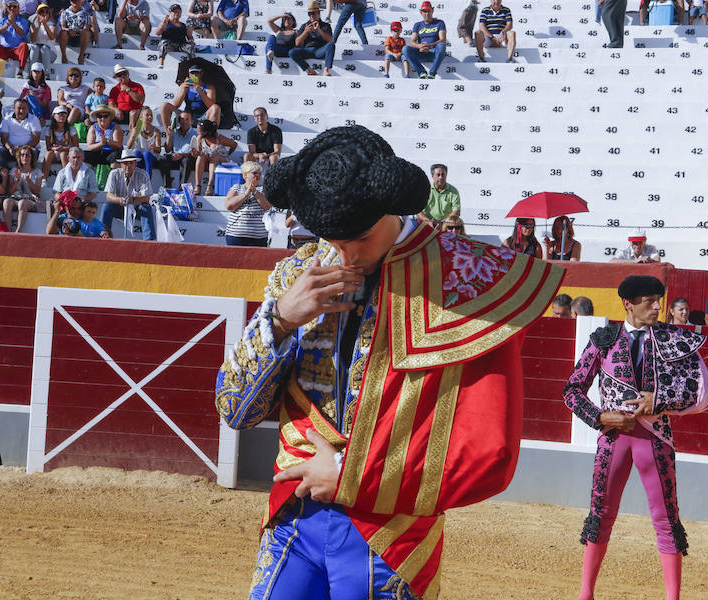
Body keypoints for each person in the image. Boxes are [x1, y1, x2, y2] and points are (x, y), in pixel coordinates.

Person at [215, 125, 564, 600]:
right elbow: (236, 409)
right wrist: (278, 321)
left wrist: (350, 474)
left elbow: (488, 453)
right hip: (293, 517)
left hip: (390, 536)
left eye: (357, 236)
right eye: (329, 237)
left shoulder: (466, 281)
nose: (342, 253)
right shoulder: (298, 272)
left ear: (391, 207)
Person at [563, 275, 708, 600]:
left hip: (656, 439)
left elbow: (701, 391)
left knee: (666, 519)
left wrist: (658, 400)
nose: (658, 307)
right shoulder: (604, 339)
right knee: (600, 514)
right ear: (628, 304)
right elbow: (572, 390)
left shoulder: (674, 338)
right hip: (613, 438)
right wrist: (601, 416)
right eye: (649, 301)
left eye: (659, 300)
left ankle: (673, 597)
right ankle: (585, 594)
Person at [101, 148, 154, 240]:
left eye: (131, 163)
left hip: (137, 208)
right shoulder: (114, 174)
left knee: (146, 207)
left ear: (135, 164)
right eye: (125, 163)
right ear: (121, 164)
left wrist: (133, 199)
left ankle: (149, 240)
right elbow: (109, 196)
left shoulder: (143, 174)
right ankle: (104, 235)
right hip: (120, 207)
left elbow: (146, 198)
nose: (128, 166)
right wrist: (120, 199)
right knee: (107, 206)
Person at [223, 160, 270, 246]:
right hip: (236, 235)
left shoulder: (263, 190)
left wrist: (255, 192)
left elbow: (267, 207)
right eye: (255, 173)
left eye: (259, 173)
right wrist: (245, 194)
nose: (258, 175)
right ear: (245, 175)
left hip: (258, 237)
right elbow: (229, 206)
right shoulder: (237, 187)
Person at [162, 64, 220, 131]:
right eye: (192, 73)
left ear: (201, 74)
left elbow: (211, 105)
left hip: (203, 116)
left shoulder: (209, 87)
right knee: (165, 106)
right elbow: (176, 105)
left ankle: (211, 135)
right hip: (187, 116)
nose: (194, 75)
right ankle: (169, 133)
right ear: (189, 74)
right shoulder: (184, 86)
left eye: (197, 73)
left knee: (216, 108)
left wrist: (199, 90)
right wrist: (184, 90)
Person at [5, 144, 46, 232]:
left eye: (27, 155)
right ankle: (7, 231)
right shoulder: (14, 171)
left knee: (22, 203)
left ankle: (18, 231)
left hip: (31, 199)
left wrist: (29, 181)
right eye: (22, 155)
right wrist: (17, 180)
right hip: (16, 197)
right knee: (7, 202)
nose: (25, 157)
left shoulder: (37, 172)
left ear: (31, 158)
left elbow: (37, 191)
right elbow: (10, 191)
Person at [190, 118, 236, 195]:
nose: (198, 132)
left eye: (199, 131)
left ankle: (209, 186)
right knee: (201, 156)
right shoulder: (200, 138)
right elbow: (196, 155)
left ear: (206, 132)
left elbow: (234, 144)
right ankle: (198, 186)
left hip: (221, 161)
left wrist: (228, 153)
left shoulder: (220, 138)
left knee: (214, 156)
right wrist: (194, 152)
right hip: (208, 162)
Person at [0, 0, 31, 78]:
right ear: (7, 8)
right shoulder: (2, 20)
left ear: (18, 8)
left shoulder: (23, 21)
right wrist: (8, 24)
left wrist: (13, 23)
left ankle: (20, 71)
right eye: (10, 6)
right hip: (4, 49)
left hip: (17, 51)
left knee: (24, 45)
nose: (12, 8)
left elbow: (22, 33)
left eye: (14, 6)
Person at [289, 1, 335, 77]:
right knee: (292, 52)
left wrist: (319, 30)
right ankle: (310, 70)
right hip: (308, 50)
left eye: (313, 13)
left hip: (320, 50)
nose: (311, 16)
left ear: (318, 13)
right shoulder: (304, 26)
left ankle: (326, 70)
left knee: (331, 45)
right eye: (309, 14)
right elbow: (297, 43)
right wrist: (305, 32)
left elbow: (330, 40)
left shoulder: (325, 25)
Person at [404, 1, 447, 79]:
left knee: (441, 46)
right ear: (421, 12)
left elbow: (443, 39)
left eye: (428, 11)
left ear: (432, 11)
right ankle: (421, 72)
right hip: (421, 52)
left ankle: (432, 73)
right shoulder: (417, 25)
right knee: (405, 49)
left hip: (435, 53)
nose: (427, 13)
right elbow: (412, 42)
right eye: (424, 11)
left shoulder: (440, 23)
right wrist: (420, 46)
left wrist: (430, 46)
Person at [0, 98, 42, 167]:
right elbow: (4, 138)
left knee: (34, 152)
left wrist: (22, 149)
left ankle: (26, 175)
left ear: (28, 108)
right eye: (19, 108)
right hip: (11, 149)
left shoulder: (34, 119)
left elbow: (36, 139)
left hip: (28, 148)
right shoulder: (7, 119)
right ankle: (5, 173)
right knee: (0, 151)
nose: (21, 111)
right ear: (14, 108)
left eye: (24, 108)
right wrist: (10, 148)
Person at [159, 109, 195, 187]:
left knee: (187, 161)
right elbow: (167, 149)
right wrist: (169, 136)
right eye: (182, 119)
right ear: (178, 121)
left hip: (187, 158)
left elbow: (195, 153)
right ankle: (167, 185)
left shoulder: (195, 134)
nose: (184, 122)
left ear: (192, 121)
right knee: (163, 158)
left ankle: (182, 187)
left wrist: (182, 155)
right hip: (174, 157)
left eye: (186, 119)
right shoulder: (174, 132)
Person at [156, 4, 196, 70]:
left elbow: (190, 37)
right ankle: (161, 63)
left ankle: (192, 66)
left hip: (181, 45)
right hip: (169, 45)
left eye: (178, 12)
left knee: (190, 47)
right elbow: (157, 33)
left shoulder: (183, 25)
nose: (176, 13)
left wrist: (191, 40)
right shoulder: (165, 23)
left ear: (180, 13)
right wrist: (162, 26)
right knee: (163, 43)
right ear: (171, 13)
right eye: (174, 12)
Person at [126, 105, 161, 177]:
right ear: (141, 117)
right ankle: (134, 179)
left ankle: (147, 181)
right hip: (138, 156)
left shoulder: (156, 131)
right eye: (147, 115)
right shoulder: (137, 129)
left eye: (151, 115)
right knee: (136, 152)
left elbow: (159, 150)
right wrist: (133, 136)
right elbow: (128, 146)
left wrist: (154, 147)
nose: (150, 117)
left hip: (151, 157)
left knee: (147, 153)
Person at [108, 64, 145, 130]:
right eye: (119, 75)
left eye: (124, 74)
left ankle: (132, 138)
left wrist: (128, 90)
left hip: (135, 112)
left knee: (133, 113)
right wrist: (116, 109)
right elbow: (111, 104)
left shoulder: (137, 86)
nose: (122, 76)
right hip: (121, 113)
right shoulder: (114, 89)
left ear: (128, 74)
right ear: (116, 77)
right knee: (105, 116)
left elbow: (139, 100)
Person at [44, 105, 78, 177]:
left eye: (64, 114)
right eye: (59, 114)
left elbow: (76, 147)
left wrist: (64, 149)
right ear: (54, 116)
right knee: (48, 154)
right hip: (55, 154)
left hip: (68, 154)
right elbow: (48, 147)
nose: (62, 116)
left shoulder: (71, 129)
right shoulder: (49, 129)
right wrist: (55, 148)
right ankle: (43, 179)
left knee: (63, 154)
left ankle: (68, 179)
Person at [57, 0, 93, 64]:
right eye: (73, 1)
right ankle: (64, 56)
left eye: (77, 0)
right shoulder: (65, 12)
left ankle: (81, 56)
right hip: (68, 36)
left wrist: (76, 31)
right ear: (70, 2)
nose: (75, 2)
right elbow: (63, 26)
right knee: (63, 32)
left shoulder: (86, 13)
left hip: (80, 36)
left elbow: (86, 27)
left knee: (86, 33)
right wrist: (70, 30)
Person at [28, 3, 58, 73]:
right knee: (35, 47)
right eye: (41, 11)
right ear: (38, 14)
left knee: (44, 48)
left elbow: (51, 37)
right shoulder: (33, 25)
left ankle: (47, 74)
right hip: (36, 53)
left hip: (50, 54)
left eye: (46, 12)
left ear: (49, 14)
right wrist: (38, 26)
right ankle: (31, 73)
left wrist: (44, 24)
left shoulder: (53, 25)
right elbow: (33, 39)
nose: (44, 13)